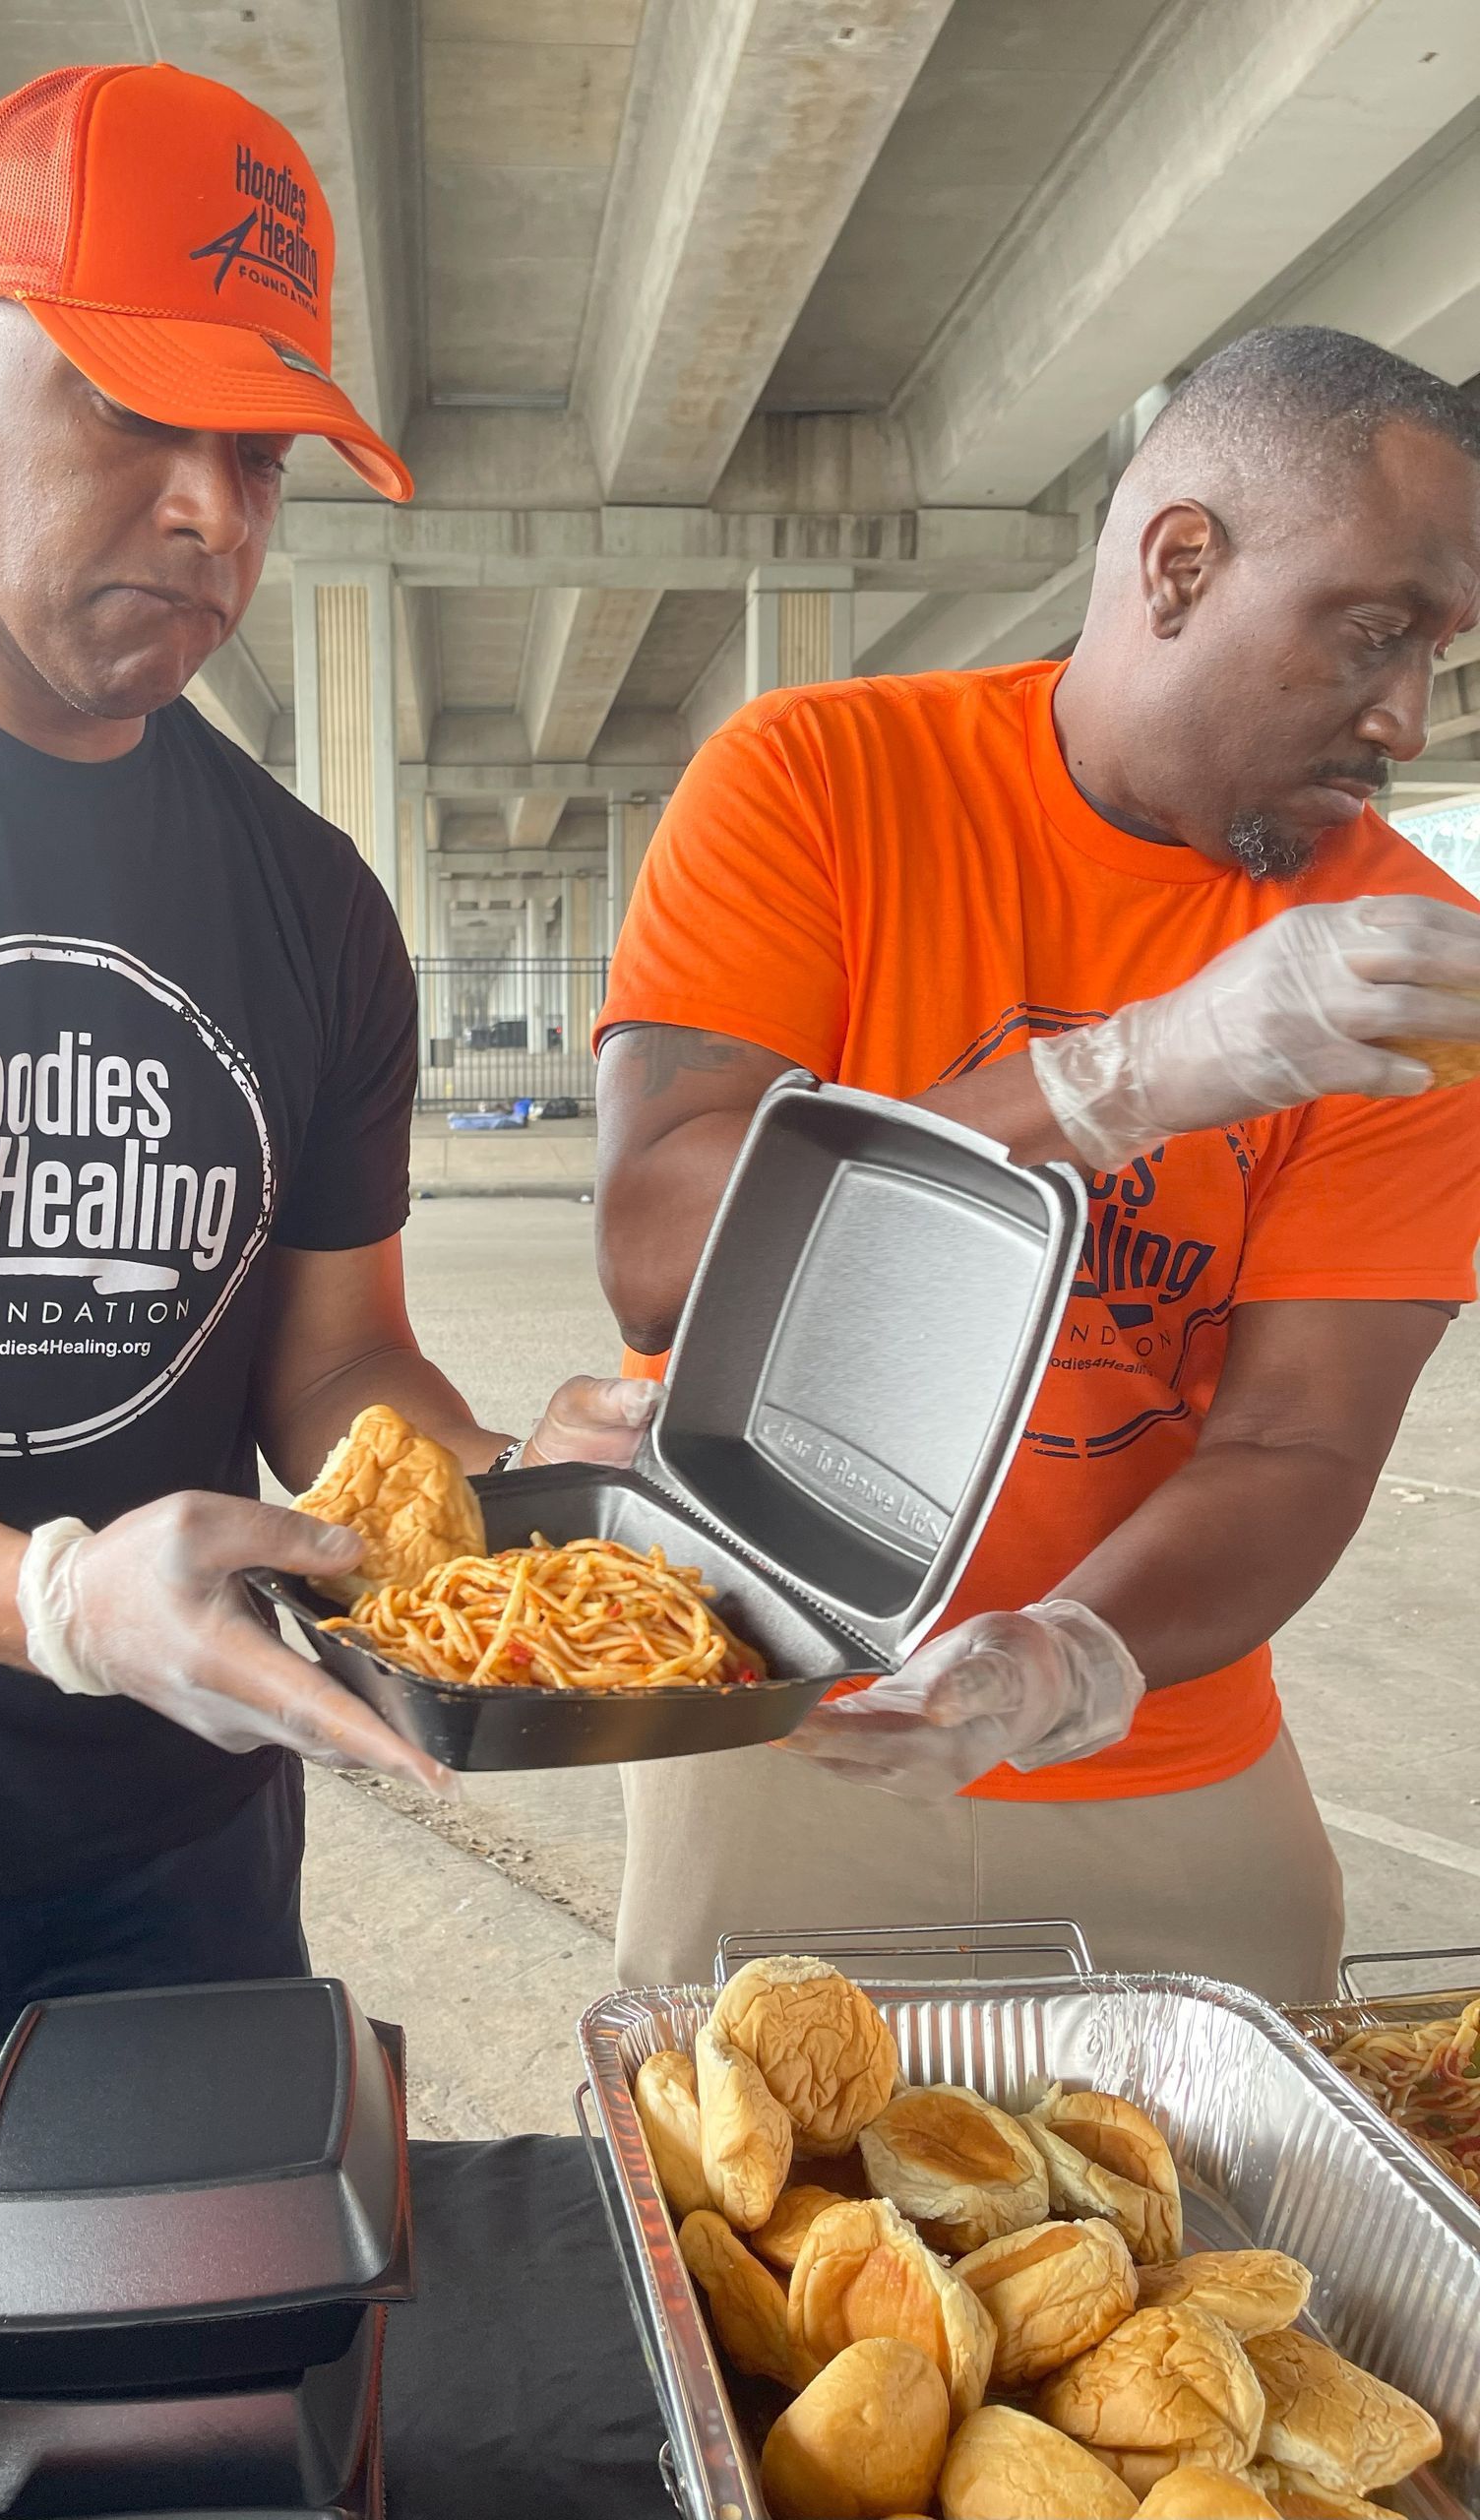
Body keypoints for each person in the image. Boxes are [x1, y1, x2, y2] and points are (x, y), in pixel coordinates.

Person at [0, 63, 652, 2084]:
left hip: (177, 1846)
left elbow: (335, 1379)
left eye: (260, 455)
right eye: (136, 406)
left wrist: (534, 1490)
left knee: (186, 2392)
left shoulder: (312, 903)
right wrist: (59, 1595)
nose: (207, 508)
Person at [594, 325, 1480, 2002]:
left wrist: (1068, 1659)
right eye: (1375, 632)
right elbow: (656, 1246)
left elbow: (1299, 1433)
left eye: (1441, 651)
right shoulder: (816, 784)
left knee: (1252, 2235)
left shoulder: (1403, 963)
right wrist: (1115, 1079)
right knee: (740, 2216)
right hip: (781, 1711)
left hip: (1163, 1734)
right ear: (1179, 564)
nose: (1409, 718)